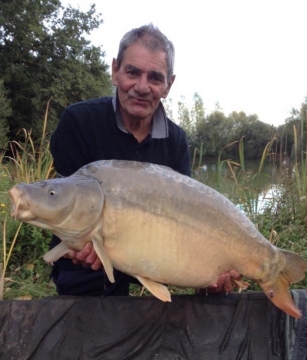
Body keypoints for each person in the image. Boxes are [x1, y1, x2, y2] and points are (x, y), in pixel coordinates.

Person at [50, 24, 240, 296]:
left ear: (168, 85)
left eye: (155, 77)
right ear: (115, 71)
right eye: (132, 72)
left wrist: (212, 271)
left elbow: (184, 222)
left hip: (149, 259)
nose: (141, 87)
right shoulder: (79, 122)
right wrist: (76, 245)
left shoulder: (176, 141)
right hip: (83, 271)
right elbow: (64, 205)